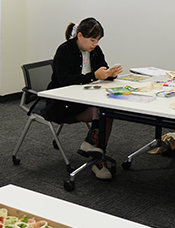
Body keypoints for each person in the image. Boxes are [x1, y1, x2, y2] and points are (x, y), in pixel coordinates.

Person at [43, 18, 122, 180]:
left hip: (86, 98)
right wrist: (94, 76)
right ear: (80, 36)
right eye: (93, 40)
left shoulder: (95, 51)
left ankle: (93, 147)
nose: (95, 44)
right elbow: (65, 81)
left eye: (98, 40)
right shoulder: (64, 51)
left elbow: (102, 70)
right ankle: (97, 158)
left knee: (107, 110)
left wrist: (109, 75)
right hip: (62, 103)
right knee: (102, 111)